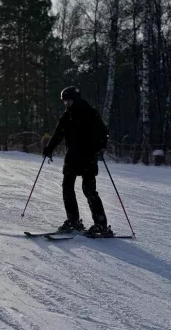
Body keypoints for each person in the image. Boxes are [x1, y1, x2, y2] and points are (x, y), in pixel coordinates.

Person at [42, 86, 112, 235]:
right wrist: (49, 149)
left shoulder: (90, 113)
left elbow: (103, 132)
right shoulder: (66, 116)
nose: (66, 103)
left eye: (68, 100)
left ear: (76, 99)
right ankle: (73, 220)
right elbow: (58, 134)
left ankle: (101, 224)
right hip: (72, 157)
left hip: (88, 157)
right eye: (64, 101)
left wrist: (101, 146)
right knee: (67, 187)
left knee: (89, 190)